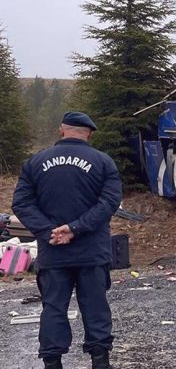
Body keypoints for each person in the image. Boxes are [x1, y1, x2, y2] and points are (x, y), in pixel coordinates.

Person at [12, 112, 122, 369]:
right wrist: (75, 228)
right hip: (92, 251)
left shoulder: (35, 162)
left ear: (62, 130)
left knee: (53, 308)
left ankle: (52, 362)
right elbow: (109, 203)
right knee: (95, 306)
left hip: (53, 252)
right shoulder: (103, 162)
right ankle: (100, 361)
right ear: (89, 133)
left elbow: (21, 203)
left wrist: (49, 231)